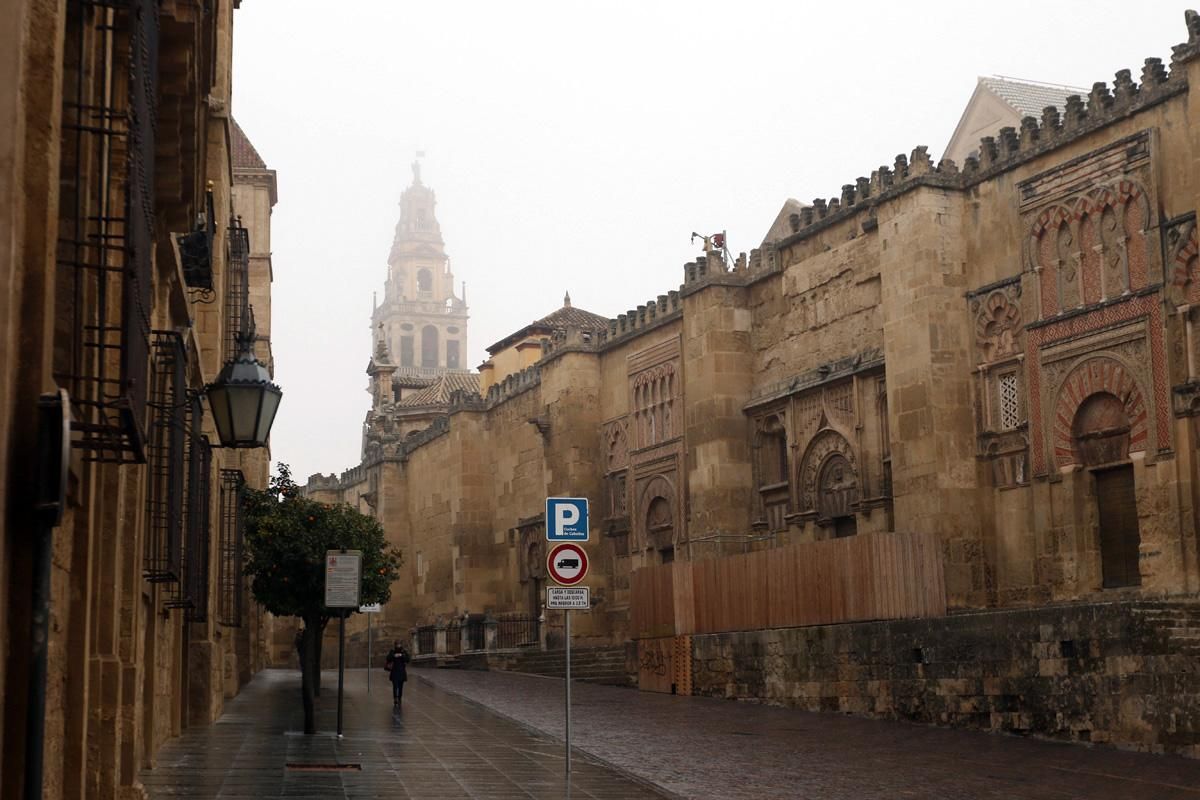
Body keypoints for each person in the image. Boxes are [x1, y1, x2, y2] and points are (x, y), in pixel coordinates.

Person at [384, 640, 409, 707]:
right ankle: (395, 698)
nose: (398, 646)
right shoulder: (392, 651)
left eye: (399, 644)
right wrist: (394, 655)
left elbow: (408, 659)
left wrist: (401, 655)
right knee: (395, 686)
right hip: (394, 672)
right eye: (397, 644)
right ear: (395, 645)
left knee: (400, 687)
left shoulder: (403, 651)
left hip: (401, 672)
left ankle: (399, 698)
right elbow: (388, 658)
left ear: (401, 645)